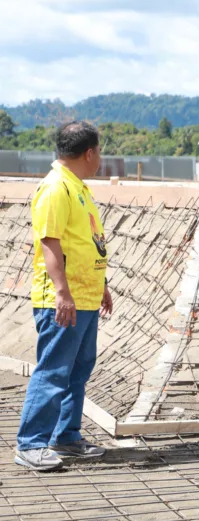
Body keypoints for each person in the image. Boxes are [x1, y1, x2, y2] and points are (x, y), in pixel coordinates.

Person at [14, 121, 113, 471]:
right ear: (89, 153)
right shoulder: (56, 188)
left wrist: (101, 284)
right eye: (99, 152)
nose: (99, 158)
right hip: (64, 299)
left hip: (84, 296)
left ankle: (66, 436)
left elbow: (85, 242)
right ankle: (30, 444)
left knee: (77, 370)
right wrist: (62, 292)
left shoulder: (77, 187)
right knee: (54, 370)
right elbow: (50, 242)